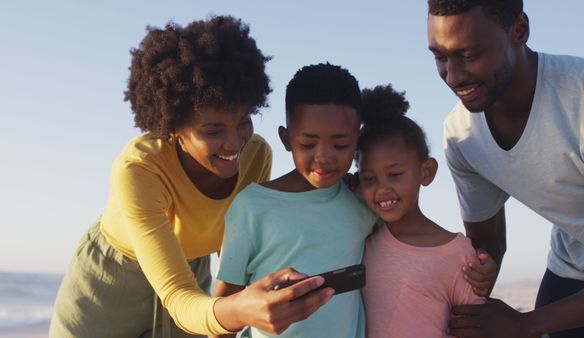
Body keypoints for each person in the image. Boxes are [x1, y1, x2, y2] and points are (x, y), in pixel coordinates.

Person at [50, 16, 332, 338]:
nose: (235, 142)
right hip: (110, 281)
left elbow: (237, 254)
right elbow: (176, 295)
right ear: (174, 129)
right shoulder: (140, 169)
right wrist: (236, 310)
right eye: (213, 130)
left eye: (243, 121)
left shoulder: (256, 155)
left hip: (191, 272)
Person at [426, 0, 584, 337]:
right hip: (574, 266)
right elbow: (487, 247)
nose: (452, 76)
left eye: (469, 55)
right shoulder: (462, 135)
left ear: (520, 31)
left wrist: (525, 324)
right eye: (440, 57)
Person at [213, 63, 379, 338]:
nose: (324, 156)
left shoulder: (363, 203)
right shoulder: (252, 207)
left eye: (340, 145)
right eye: (308, 144)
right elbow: (224, 311)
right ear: (286, 138)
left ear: (358, 141)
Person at [356, 84, 485, 338]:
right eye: (369, 179)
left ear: (426, 172)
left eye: (394, 175)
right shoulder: (362, 239)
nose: (382, 189)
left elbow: (476, 326)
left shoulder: (458, 254)